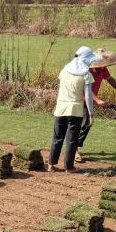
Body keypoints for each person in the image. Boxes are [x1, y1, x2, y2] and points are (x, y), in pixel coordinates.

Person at [75, 48, 116, 163]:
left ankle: (74, 146)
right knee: (84, 123)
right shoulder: (87, 69)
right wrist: (98, 100)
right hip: (79, 99)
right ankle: (74, 150)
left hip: (89, 100)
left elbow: (110, 79)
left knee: (87, 123)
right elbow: (85, 88)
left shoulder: (102, 69)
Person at [46, 46, 97, 174]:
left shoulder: (65, 70)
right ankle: (69, 167)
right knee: (71, 139)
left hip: (60, 108)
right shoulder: (86, 74)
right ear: (85, 59)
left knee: (57, 137)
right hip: (75, 110)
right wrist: (91, 114)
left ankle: (51, 165)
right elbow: (88, 96)